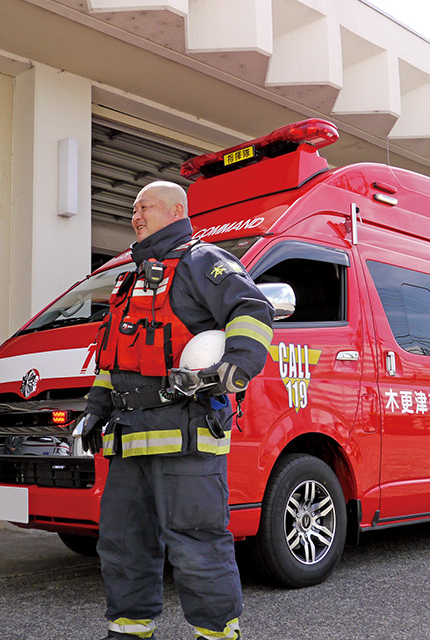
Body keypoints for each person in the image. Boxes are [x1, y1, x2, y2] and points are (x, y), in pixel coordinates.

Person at [77, 181, 274, 640]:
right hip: (128, 437)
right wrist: (94, 409)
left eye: (143, 206)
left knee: (196, 542)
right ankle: (129, 629)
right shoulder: (130, 278)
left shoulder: (201, 261)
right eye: (133, 208)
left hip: (185, 430)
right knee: (124, 543)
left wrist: (235, 368)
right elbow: (114, 361)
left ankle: (216, 633)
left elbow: (253, 309)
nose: (135, 215)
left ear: (176, 209)